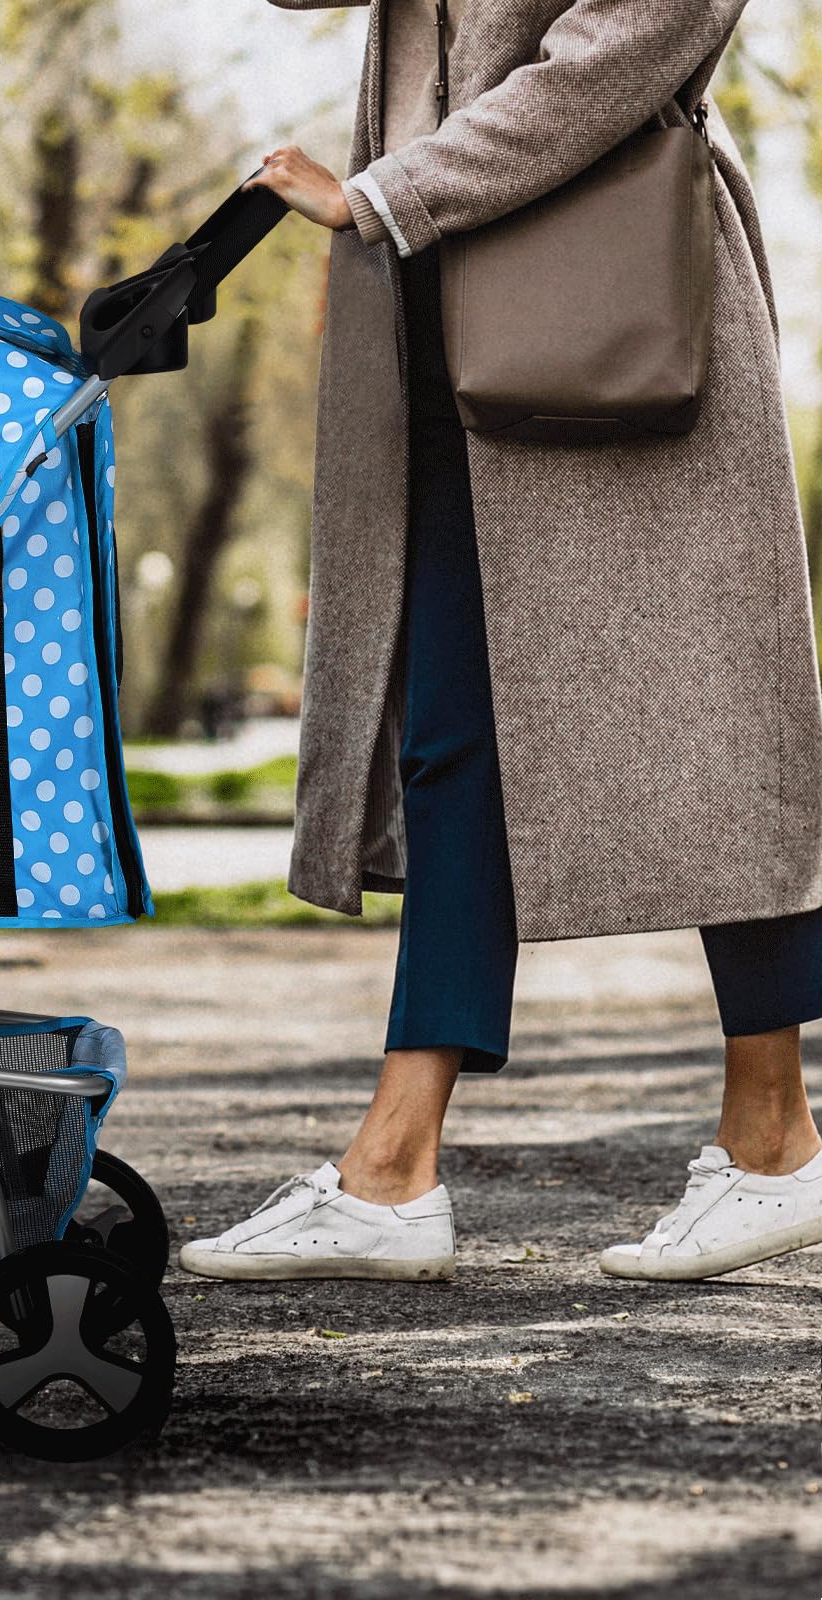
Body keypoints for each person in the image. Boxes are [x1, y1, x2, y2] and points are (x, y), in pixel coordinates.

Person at [181, 0, 822, 1285]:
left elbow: (627, 44)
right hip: (440, 311)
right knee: (451, 731)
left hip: (611, 306)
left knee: (714, 719)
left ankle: (772, 1137)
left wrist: (383, 197)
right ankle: (392, 1168)